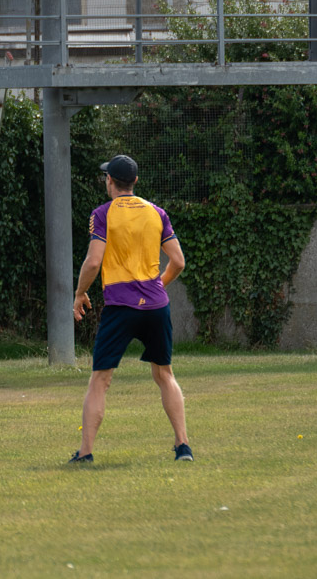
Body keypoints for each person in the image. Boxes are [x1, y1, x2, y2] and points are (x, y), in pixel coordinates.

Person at [69, 155, 193, 464]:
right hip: (156, 305)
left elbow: (94, 261)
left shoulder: (102, 214)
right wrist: (159, 285)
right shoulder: (157, 213)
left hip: (120, 307)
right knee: (165, 374)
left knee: (101, 379)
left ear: (109, 181)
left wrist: (80, 293)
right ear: (135, 182)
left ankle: (85, 453)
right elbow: (178, 262)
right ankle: (183, 447)